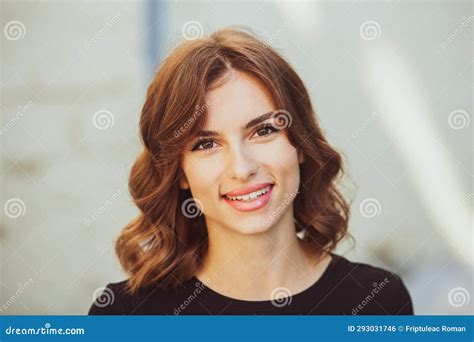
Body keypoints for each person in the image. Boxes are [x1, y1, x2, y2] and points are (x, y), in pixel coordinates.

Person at [88, 27, 413, 315]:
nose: (242, 168)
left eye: (263, 131)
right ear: (180, 173)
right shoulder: (125, 314)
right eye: (205, 145)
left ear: (299, 143)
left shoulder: (377, 302)